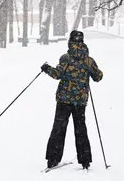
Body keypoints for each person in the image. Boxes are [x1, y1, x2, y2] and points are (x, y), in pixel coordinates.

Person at [40, 30, 103, 170]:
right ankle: (85, 160)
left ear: (70, 41)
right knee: (80, 129)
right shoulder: (88, 60)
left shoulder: (66, 58)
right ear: (82, 42)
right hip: (80, 101)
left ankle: (52, 159)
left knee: (59, 129)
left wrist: (46, 68)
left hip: (64, 100)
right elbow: (98, 77)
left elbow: (57, 74)